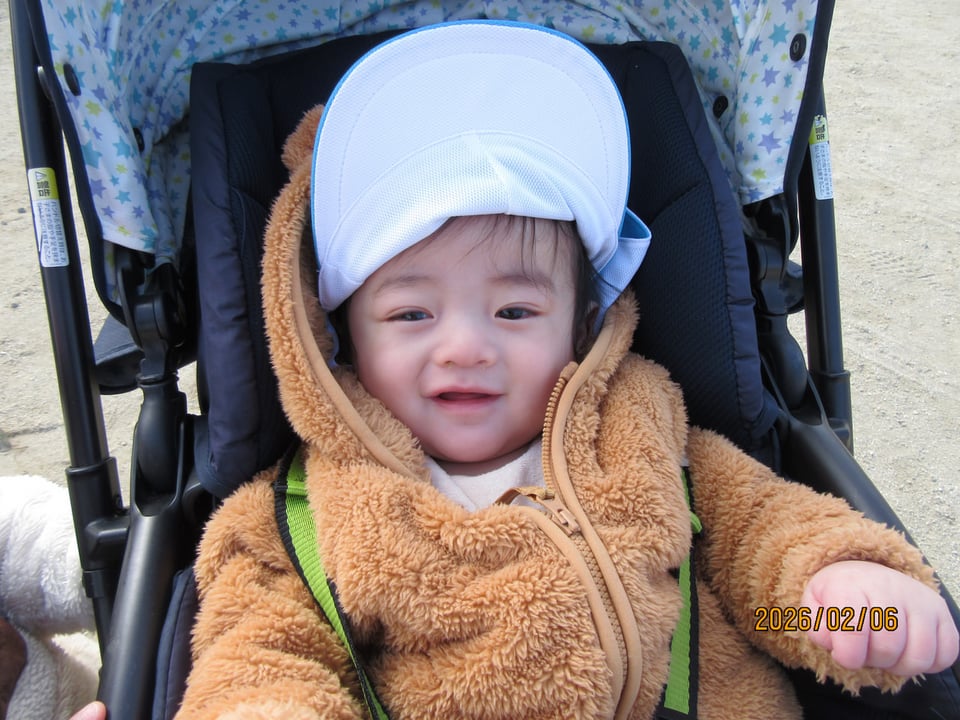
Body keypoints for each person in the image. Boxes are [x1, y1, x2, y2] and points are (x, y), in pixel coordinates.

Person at [173, 20, 958, 720]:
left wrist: (842, 607)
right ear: (339, 336)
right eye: (412, 315)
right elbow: (262, 651)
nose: (464, 348)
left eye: (515, 312)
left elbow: (761, 555)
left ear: (582, 325)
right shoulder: (304, 516)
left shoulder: (643, 432)